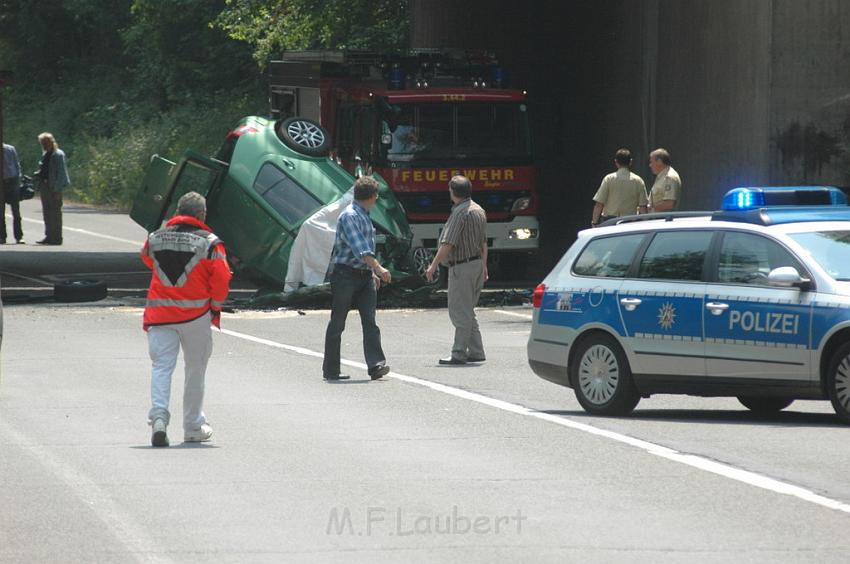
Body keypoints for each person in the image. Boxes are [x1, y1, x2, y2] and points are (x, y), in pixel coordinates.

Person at [141, 191, 231, 447]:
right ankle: (192, 426)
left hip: (160, 316)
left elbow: (147, 258)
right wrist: (214, 305)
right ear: (201, 215)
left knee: (161, 367)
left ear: (178, 211)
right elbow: (222, 279)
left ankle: (159, 417)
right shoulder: (211, 243)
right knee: (195, 370)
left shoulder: (154, 238)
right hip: (196, 317)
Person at [323, 176, 392, 381]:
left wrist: (371, 272)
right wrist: (379, 268)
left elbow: (363, 252)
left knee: (370, 322)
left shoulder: (364, 215)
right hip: (345, 275)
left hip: (363, 276)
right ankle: (331, 370)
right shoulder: (350, 216)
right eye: (376, 195)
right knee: (338, 323)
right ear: (371, 197)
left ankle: (376, 365)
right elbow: (361, 249)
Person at [425, 175, 488, 365]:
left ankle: (459, 352)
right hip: (476, 264)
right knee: (468, 310)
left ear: (453, 192)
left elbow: (448, 243)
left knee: (459, 312)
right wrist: (484, 265)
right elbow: (484, 243)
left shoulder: (460, 213)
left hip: (461, 266)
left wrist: (433, 265)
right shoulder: (479, 210)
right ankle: (476, 351)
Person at [591, 148, 648, 226]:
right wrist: (645, 224)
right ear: (630, 162)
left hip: (610, 221)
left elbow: (599, 203)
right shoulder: (638, 181)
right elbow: (643, 207)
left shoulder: (608, 179)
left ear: (616, 162)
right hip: (630, 222)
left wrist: (594, 222)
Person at [34, 132, 70, 245]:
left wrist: (57, 189)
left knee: (55, 213)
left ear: (51, 142)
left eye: (46, 142)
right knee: (47, 213)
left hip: (54, 187)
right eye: (42, 143)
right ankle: (49, 236)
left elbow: (61, 173)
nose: (44, 145)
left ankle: (57, 238)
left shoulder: (58, 154)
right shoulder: (46, 154)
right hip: (45, 187)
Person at [1, 142, 23, 244]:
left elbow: (16, 163)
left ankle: (19, 237)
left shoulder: (10, 149)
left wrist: (18, 179)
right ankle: (2, 237)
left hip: (12, 181)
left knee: (16, 212)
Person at [648, 148, 682, 212]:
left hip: (663, 219)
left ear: (659, 162)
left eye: (651, 162)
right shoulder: (661, 177)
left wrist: (649, 207)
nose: (650, 165)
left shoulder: (669, 177)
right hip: (658, 219)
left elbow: (669, 204)